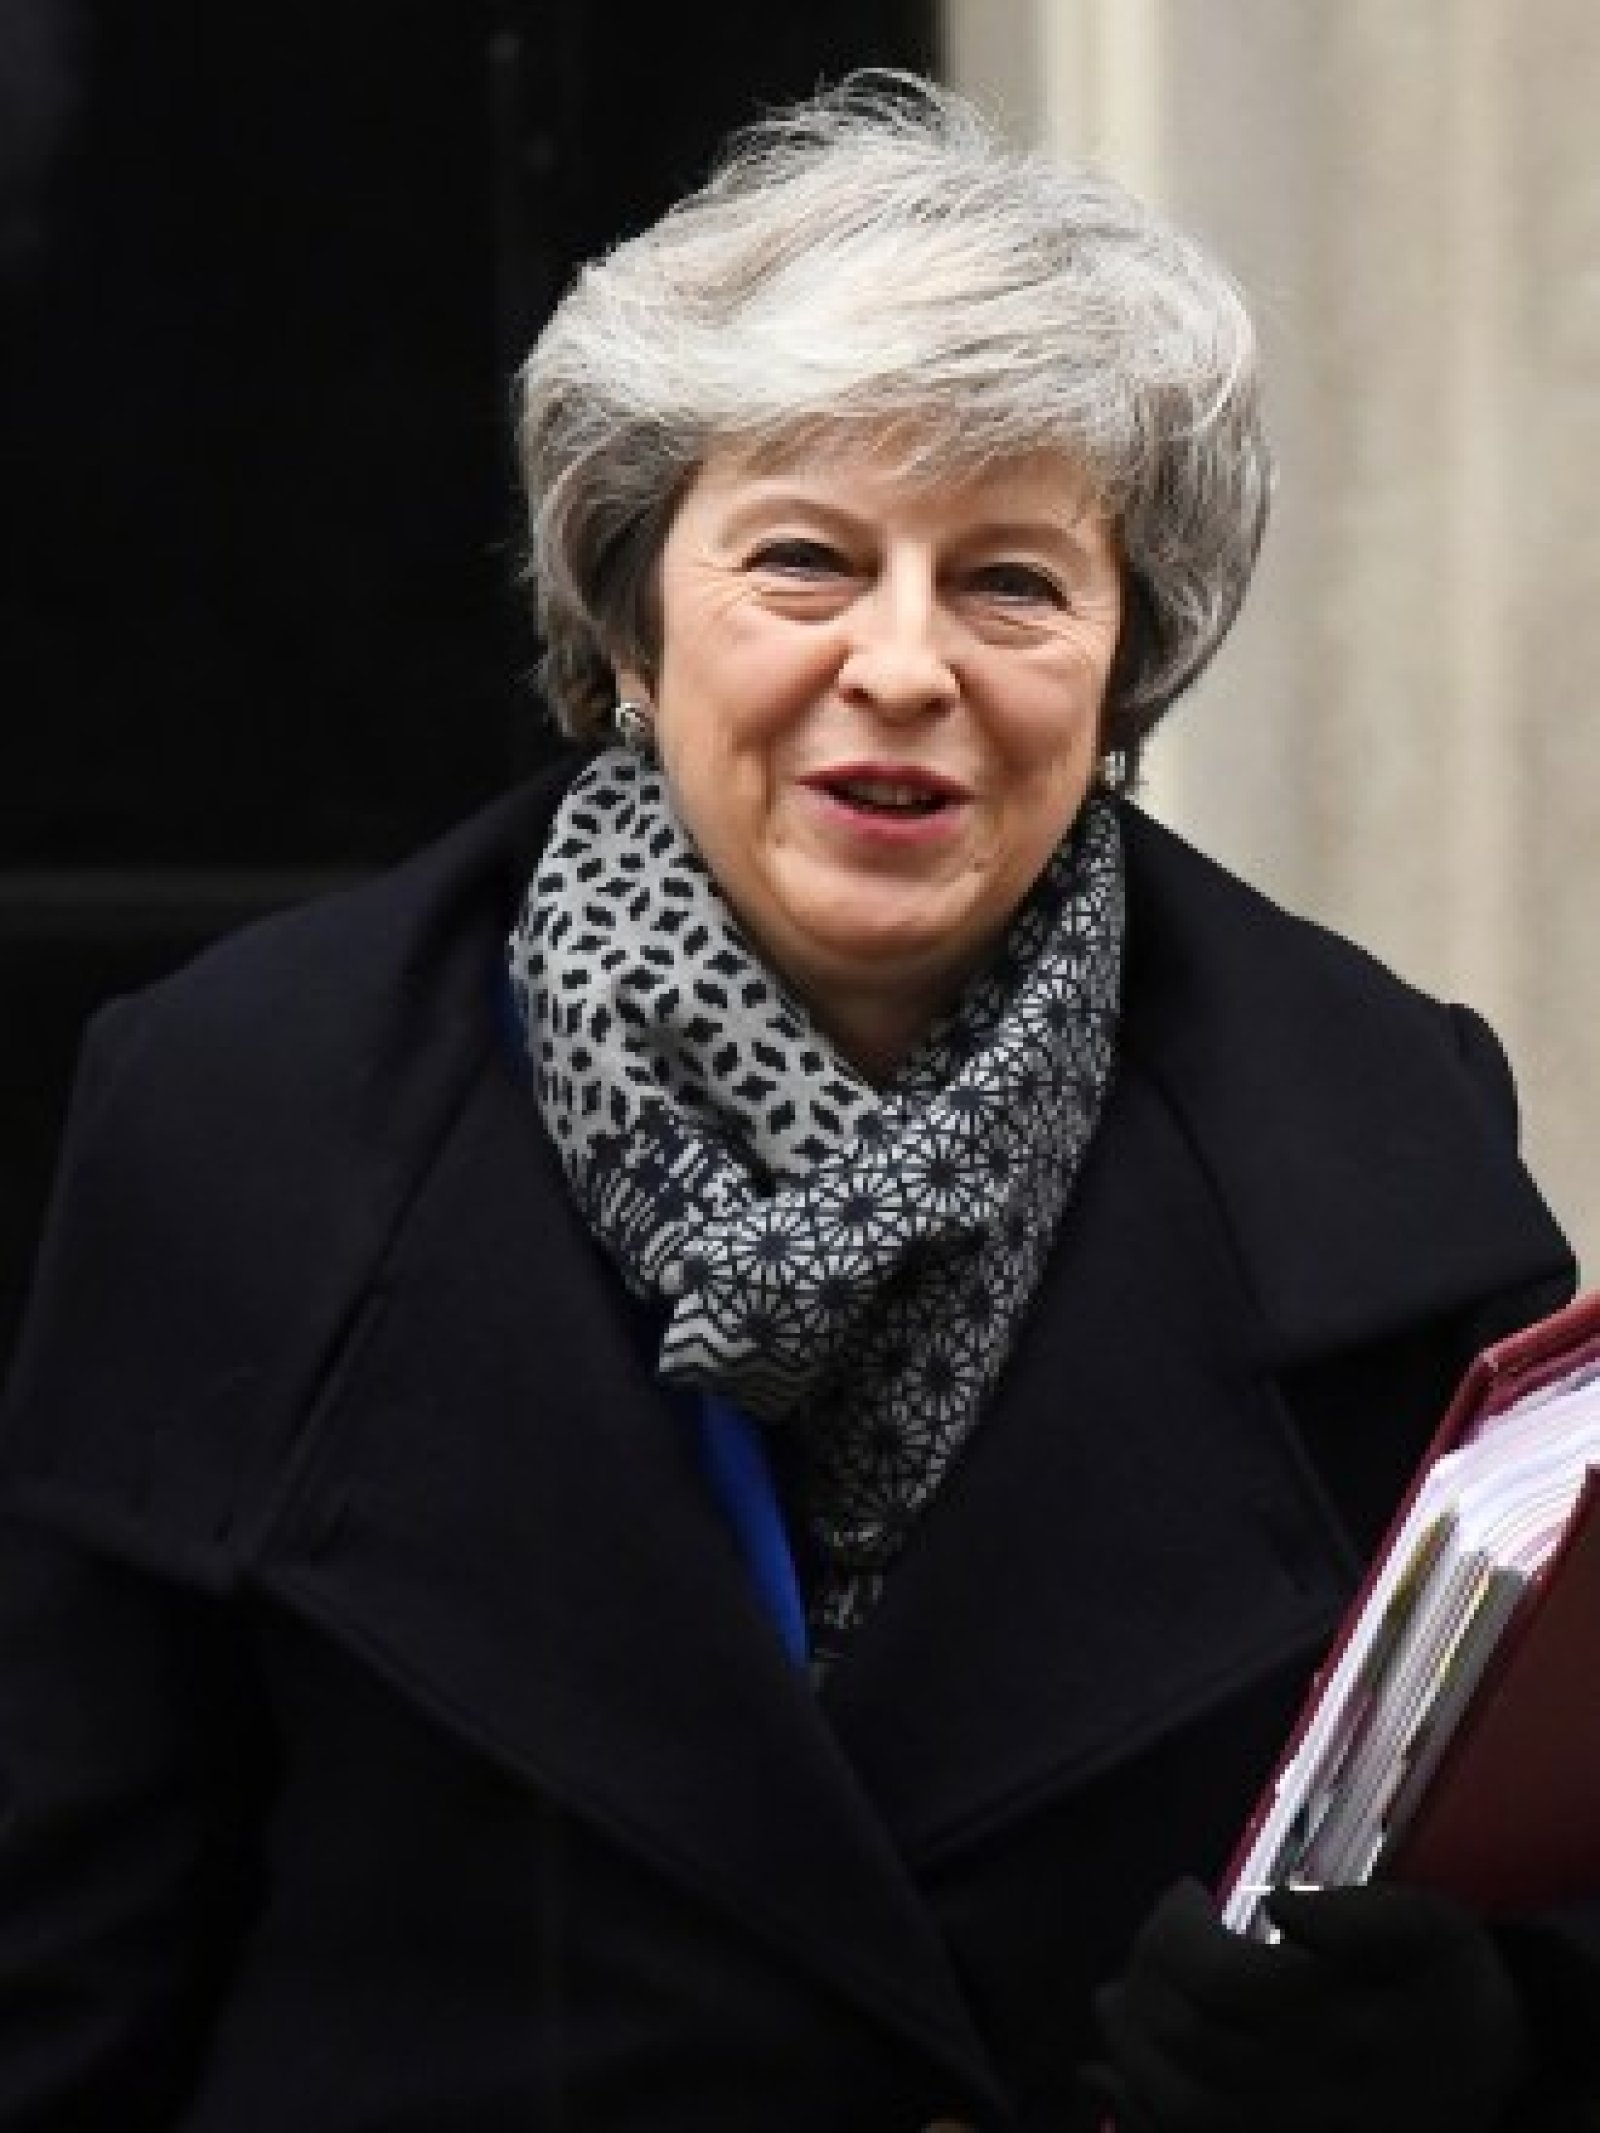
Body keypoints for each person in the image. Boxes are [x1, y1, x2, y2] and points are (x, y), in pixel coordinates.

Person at [0, 72, 1591, 2133]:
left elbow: (1541, 1856)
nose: (904, 663)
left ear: (1122, 669)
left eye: (1010, 582)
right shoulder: (240, 1115)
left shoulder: (1379, 1141)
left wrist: (1480, 2042)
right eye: (807, 560)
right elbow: (64, 1958)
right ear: (629, 624)